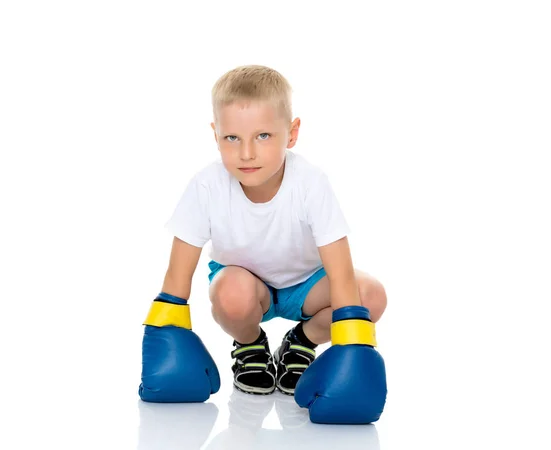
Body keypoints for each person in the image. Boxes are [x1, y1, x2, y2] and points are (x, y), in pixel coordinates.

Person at [138, 65, 388, 424]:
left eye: (264, 136)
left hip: (308, 285)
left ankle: (302, 340)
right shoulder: (207, 186)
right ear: (216, 134)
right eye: (232, 138)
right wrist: (166, 331)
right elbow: (178, 273)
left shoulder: (311, 183)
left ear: (292, 133)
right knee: (230, 294)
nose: (247, 153)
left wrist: (352, 340)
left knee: (371, 297)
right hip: (244, 286)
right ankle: (251, 344)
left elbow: (340, 269)